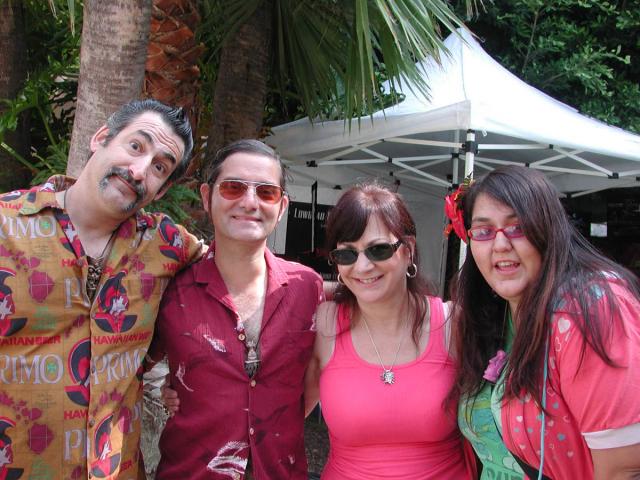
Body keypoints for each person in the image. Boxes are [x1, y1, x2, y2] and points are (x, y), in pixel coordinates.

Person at [0, 99, 202, 479]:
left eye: (159, 167)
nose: (139, 170)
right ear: (101, 138)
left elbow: (235, 276)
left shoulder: (165, 245)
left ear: (161, 190)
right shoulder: (6, 225)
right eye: (136, 146)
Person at [447, 165, 640, 479]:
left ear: (548, 230)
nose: (500, 244)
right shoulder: (494, 314)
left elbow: (626, 467)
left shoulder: (589, 308)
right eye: (483, 231)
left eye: (517, 227)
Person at [148, 140, 324, 479]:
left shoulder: (308, 288)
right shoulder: (170, 289)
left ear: (282, 206)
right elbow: (125, 363)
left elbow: (320, 370)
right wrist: (170, 384)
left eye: (266, 192)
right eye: (233, 188)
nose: (249, 202)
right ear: (206, 196)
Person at [303, 182, 475, 479]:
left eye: (378, 250)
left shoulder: (452, 323)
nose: (363, 266)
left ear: (408, 251)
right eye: (347, 255)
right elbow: (282, 422)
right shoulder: (325, 325)